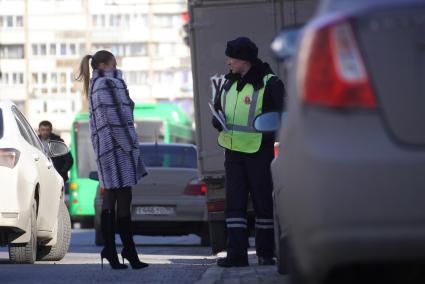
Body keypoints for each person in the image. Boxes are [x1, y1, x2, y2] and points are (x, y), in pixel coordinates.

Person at [212, 37, 285, 267]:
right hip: (233, 152)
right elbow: (218, 108)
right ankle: (237, 255)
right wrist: (217, 121)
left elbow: (283, 116)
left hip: (259, 151)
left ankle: (265, 253)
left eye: (232, 57)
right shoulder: (227, 82)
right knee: (234, 205)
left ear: (244, 60)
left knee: (263, 203)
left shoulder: (271, 83)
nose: (228, 62)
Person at [76, 50, 148, 270]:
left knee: (113, 197)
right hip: (118, 148)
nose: (116, 66)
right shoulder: (108, 84)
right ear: (106, 64)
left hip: (107, 149)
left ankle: (113, 249)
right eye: (114, 63)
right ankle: (126, 250)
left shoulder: (99, 85)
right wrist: (129, 145)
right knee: (123, 197)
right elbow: (116, 118)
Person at [38, 120, 74, 189]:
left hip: (56, 177)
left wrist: (61, 173)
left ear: (51, 130)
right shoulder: (34, 142)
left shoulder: (58, 141)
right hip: (40, 176)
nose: (45, 132)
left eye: (47, 130)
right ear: (39, 130)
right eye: (43, 130)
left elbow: (69, 160)